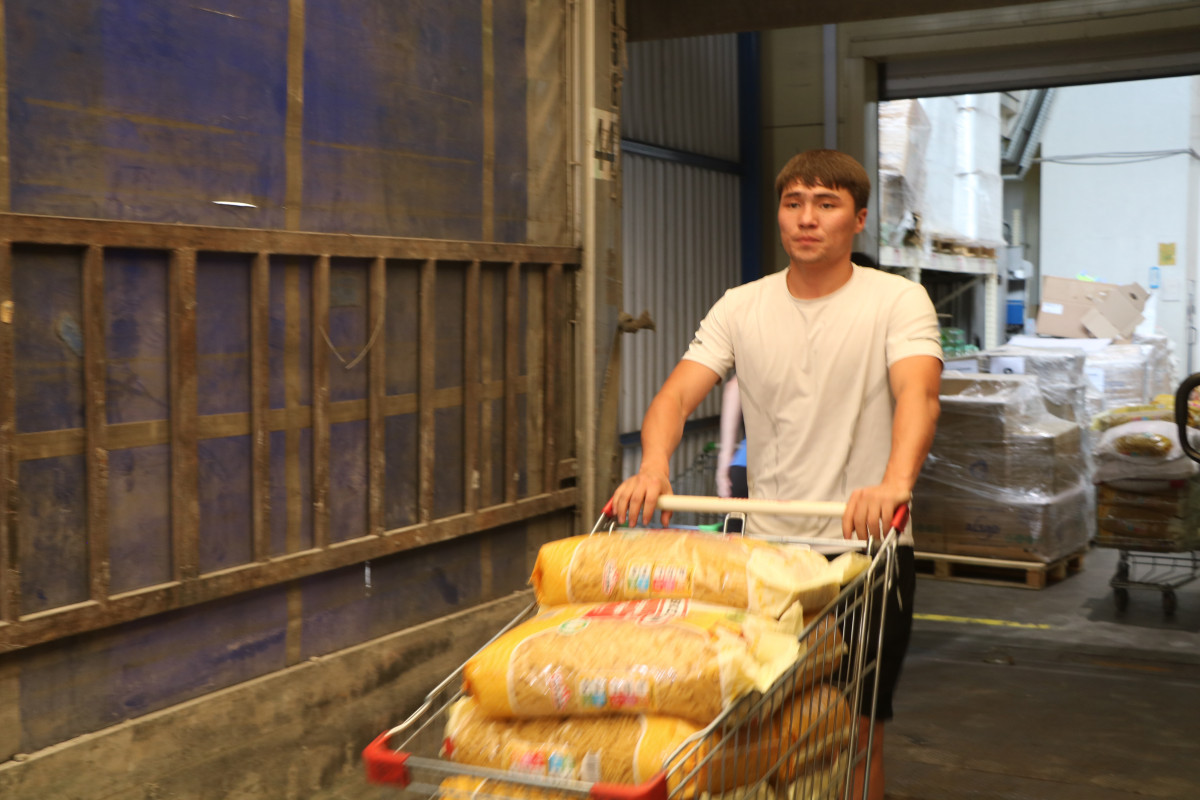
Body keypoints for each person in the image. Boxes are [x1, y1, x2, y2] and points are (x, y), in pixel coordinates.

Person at [609, 149, 943, 800]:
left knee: (854, 733)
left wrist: (895, 483)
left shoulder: (898, 301)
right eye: (794, 204)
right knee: (759, 731)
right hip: (767, 560)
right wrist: (651, 468)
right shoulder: (741, 306)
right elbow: (675, 398)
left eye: (826, 204)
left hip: (865, 552)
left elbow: (919, 395)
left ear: (859, 219)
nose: (807, 219)